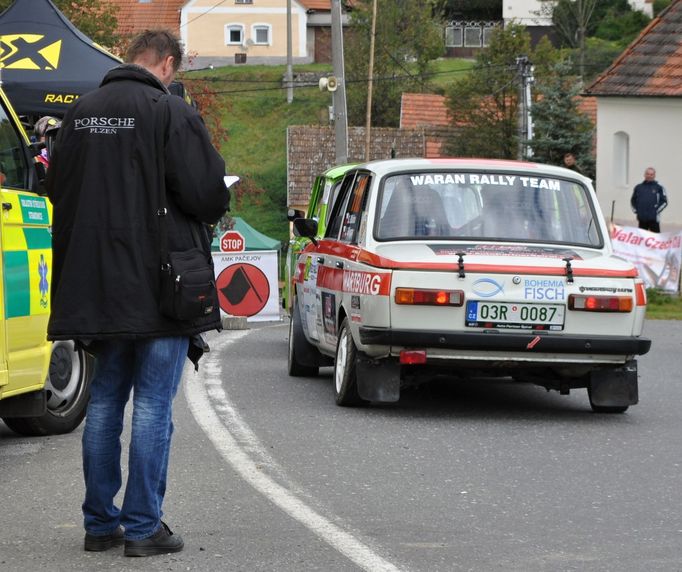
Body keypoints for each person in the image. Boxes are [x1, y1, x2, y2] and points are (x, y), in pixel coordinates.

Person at [46, 30, 229, 557]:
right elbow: (206, 194)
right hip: (161, 285)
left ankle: (99, 525)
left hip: (94, 284)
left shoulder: (79, 115)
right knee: (152, 404)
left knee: (104, 401)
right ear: (167, 64)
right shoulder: (169, 112)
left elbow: (56, 190)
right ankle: (145, 526)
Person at [631, 167, 668, 232]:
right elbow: (633, 200)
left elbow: (664, 202)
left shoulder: (659, 187)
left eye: (651, 174)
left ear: (654, 175)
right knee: (642, 240)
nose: (649, 176)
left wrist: (655, 211)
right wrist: (637, 211)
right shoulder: (638, 187)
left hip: (654, 219)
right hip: (642, 219)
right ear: (644, 175)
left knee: (656, 239)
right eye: (647, 174)